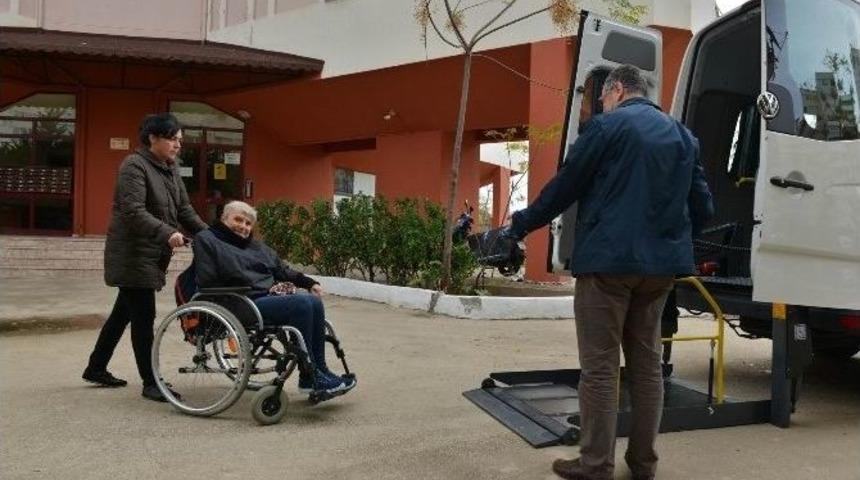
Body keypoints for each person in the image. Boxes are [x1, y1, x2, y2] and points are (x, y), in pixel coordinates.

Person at [506, 65, 714, 480]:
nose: (600, 105)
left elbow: (564, 188)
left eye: (601, 97)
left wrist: (519, 225)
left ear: (616, 89)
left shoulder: (606, 129)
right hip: (659, 272)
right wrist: (669, 237)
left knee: (600, 369)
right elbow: (704, 209)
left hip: (607, 266)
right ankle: (643, 464)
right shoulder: (682, 137)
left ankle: (596, 464)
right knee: (647, 367)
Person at [83, 113, 207, 402]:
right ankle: (151, 382)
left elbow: (184, 210)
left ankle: (95, 367)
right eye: (172, 139)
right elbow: (133, 211)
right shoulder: (134, 165)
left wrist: (212, 236)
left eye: (179, 140)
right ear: (153, 138)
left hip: (151, 254)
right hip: (132, 255)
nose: (178, 145)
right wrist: (168, 232)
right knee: (143, 318)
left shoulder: (170, 168)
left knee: (121, 314)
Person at [193, 200, 355, 395]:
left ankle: (320, 370)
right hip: (237, 301)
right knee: (302, 304)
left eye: (248, 223)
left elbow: (282, 270)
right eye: (238, 220)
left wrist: (309, 283)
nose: (243, 226)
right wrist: (244, 280)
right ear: (224, 218)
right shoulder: (207, 239)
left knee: (313, 301)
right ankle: (310, 376)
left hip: (263, 298)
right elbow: (207, 281)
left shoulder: (256, 247)